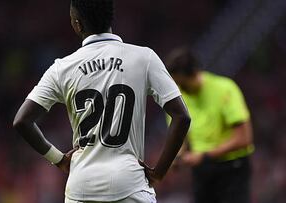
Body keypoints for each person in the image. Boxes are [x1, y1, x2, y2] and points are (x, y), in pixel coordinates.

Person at [13, 0, 191, 202]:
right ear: (110, 19)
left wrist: (59, 159)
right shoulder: (144, 58)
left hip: (82, 187)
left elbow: (22, 120)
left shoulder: (61, 68)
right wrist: (159, 172)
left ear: (77, 24)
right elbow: (181, 116)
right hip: (130, 184)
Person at [165, 47, 254, 203]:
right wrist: (177, 157)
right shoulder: (176, 97)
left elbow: (244, 138)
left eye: (182, 84)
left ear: (195, 73)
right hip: (202, 171)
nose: (179, 88)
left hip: (232, 169)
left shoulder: (225, 89)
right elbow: (180, 138)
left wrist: (204, 156)